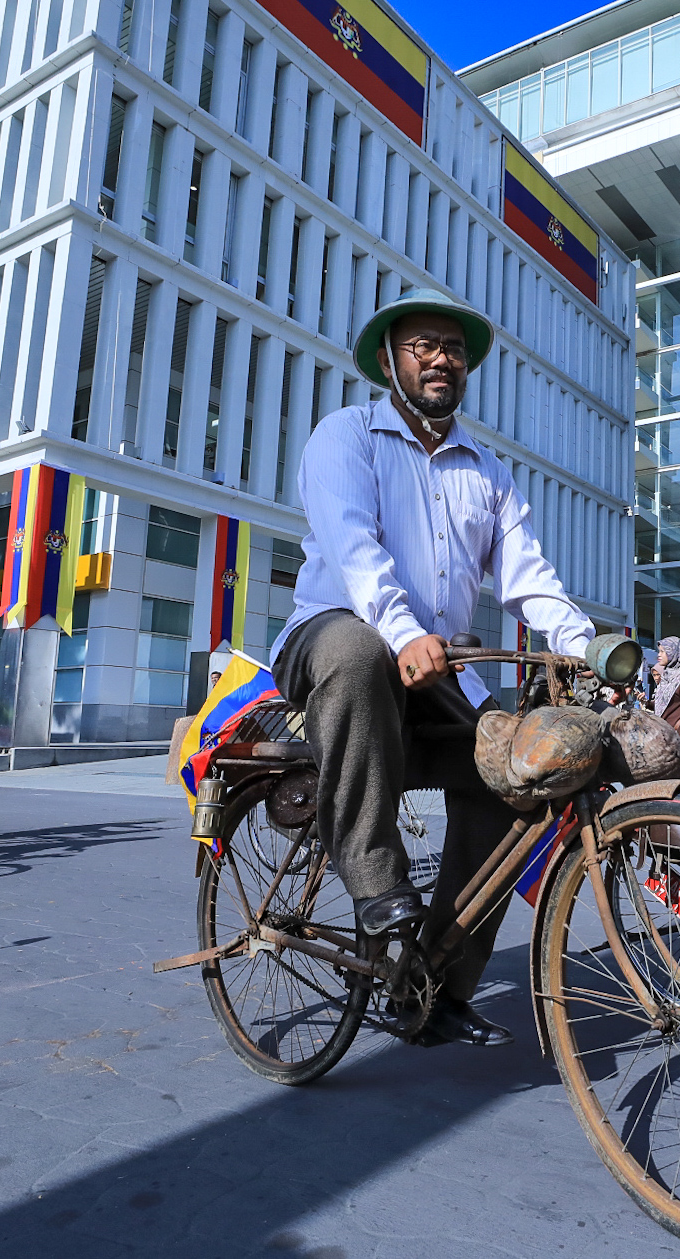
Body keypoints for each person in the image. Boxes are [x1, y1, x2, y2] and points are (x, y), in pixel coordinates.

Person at [268, 287, 598, 1049]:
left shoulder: (487, 471)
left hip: (437, 674)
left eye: (453, 348)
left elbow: (529, 579)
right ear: (390, 361)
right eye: (423, 345)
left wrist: (587, 647)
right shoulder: (346, 436)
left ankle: (436, 986)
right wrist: (403, 630)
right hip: (333, 640)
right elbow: (354, 548)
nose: (441, 358)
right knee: (360, 650)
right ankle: (375, 879)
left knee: (517, 779)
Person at [649, 636, 680, 742]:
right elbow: (666, 705)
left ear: (673, 653)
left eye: (663, 651)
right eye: (659, 651)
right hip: (663, 735)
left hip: (678, 737)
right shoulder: (666, 676)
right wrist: (647, 703)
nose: (659, 655)